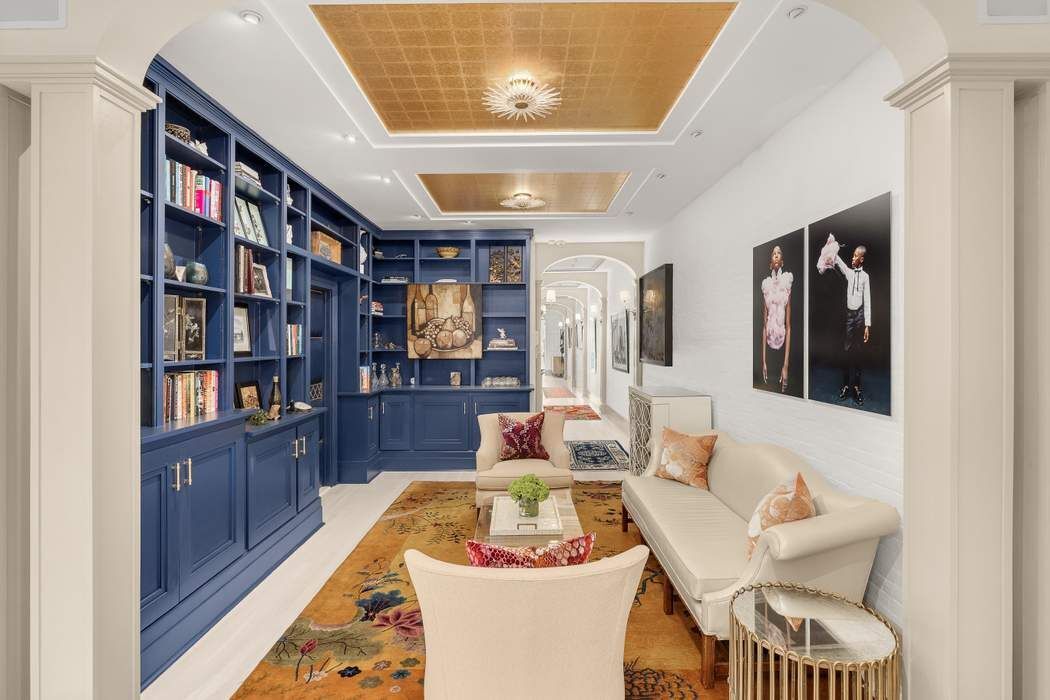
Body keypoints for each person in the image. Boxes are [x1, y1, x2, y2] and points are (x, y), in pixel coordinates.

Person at [816, 234, 871, 405]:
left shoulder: (865, 277)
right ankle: (846, 386)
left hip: (860, 317)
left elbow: (868, 301)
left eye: (856, 256)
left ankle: (857, 388)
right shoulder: (848, 272)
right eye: (853, 255)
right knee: (846, 352)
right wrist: (832, 247)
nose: (853, 258)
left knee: (859, 354)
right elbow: (838, 261)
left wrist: (867, 325)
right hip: (849, 317)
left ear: (861, 259)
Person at [760, 245, 793, 393]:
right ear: (770, 263)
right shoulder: (766, 286)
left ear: (782, 262)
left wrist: (785, 365)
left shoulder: (786, 284)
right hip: (769, 349)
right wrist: (763, 362)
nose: (776, 255)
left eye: (779, 253)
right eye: (774, 253)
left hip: (782, 348)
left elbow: (789, 326)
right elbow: (764, 326)